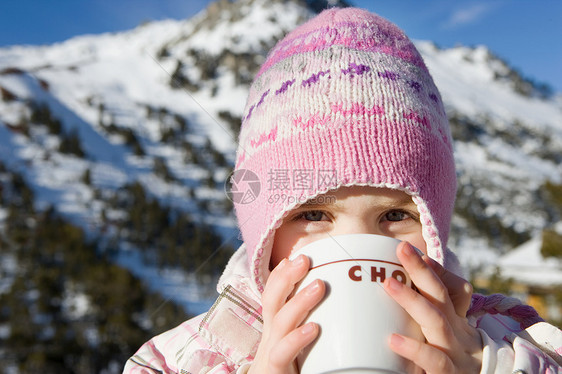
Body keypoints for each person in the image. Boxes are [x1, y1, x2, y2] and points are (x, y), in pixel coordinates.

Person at [124, 7, 562, 374]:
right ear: (263, 234)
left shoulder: (505, 336)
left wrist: (489, 365)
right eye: (314, 215)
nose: (358, 247)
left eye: (395, 216)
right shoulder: (182, 359)